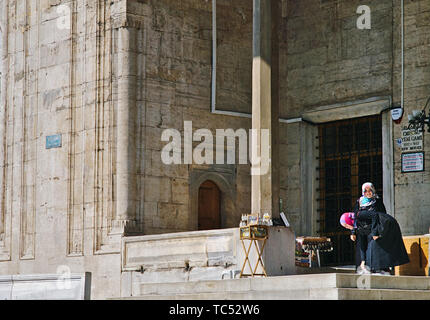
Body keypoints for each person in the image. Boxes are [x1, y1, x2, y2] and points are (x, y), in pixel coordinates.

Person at [349, 182, 409, 275]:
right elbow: (354, 218)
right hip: (362, 229)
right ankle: (364, 269)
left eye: (370, 190)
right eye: (365, 191)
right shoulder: (359, 202)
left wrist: (376, 231)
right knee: (362, 250)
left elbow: (382, 216)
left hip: (373, 229)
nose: (368, 193)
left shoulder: (377, 201)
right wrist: (353, 231)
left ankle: (378, 268)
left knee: (374, 249)